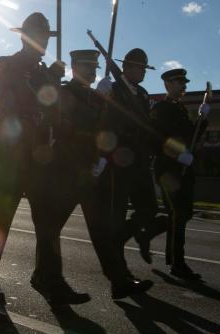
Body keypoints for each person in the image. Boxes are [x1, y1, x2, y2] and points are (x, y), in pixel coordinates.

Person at [35, 49, 150, 304]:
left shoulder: (98, 97)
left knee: (102, 231)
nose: (92, 71)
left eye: (94, 66)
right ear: (75, 67)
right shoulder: (66, 92)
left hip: (89, 172)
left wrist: (110, 102)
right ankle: (47, 278)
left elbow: (108, 130)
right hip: (65, 171)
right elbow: (63, 129)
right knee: (51, 228)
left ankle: (119, 281)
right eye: (87, 66)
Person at [0, 12, 66, 321]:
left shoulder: (45, 72)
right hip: (8, 148)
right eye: (38, 37)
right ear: (24, 38)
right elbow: (0, 103)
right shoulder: (8, 64)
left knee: (49, 219)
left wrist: (54, 83)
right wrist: (42, 82)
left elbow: (54, 114)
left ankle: (50, 278)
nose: (43, 42)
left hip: (38, 152)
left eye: (46, 38)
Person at [95, 47, 158, 297]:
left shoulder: (142, 94)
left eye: (144, 68)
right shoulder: (114, 90)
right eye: (140, 67)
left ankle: (119, 238)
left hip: (140, 162)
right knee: (116, 217)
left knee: (150, 209)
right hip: (118, 163)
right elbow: (105, 122)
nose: (143, 71)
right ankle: (119, 280)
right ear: (128, 68)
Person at [151, 68, 208, 281]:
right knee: (178, 214)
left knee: (184, 214)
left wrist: (202, 119)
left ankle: (154, 238)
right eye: (179, 82)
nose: (184, 86)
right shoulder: (161, 109)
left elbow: (191, 137)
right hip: (169, 170)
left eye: (184, 82)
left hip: (183, 170)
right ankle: (177, 263)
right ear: (167, 84)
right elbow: (157, 140)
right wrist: (178, 155)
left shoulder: (181, 110)